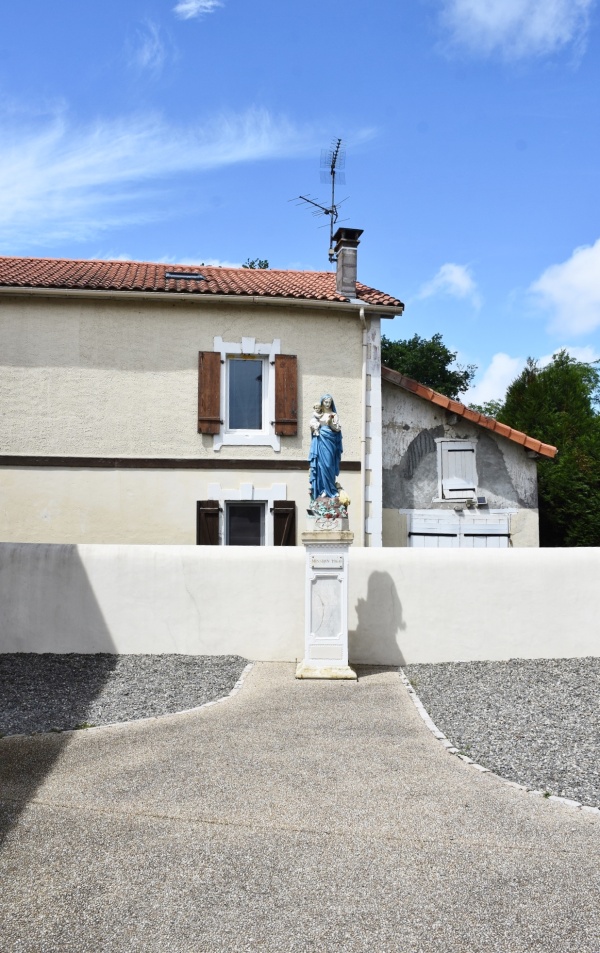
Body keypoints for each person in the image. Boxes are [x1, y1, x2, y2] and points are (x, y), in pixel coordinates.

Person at [309, 394, 343, 499]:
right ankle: (323, 490)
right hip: (320, 441)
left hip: (330, 441)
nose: (327, 404)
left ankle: (331, 489)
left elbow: (337, 429)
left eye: (329, 402)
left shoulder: (334, 415)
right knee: (320, 466)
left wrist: (330, 424)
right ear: (322, 402)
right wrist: (314, 427)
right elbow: (313, 426)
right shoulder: (318, 414)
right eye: (325, 402)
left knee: (329, 465)